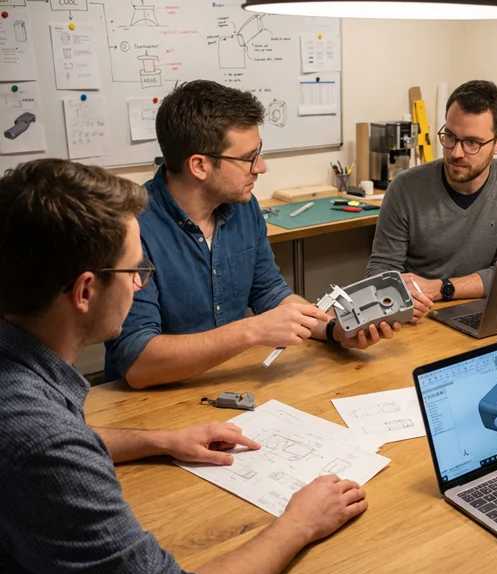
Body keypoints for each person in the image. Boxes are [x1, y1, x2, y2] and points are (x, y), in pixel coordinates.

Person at [0, 158, 368, 574]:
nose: (140, 285)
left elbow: (63, 438)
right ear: (84, 291)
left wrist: (160, 440)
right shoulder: (42, 441)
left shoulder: (24, 377)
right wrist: (298, 524)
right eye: (135, 272)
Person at [105, 80, 400, 389]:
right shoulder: (130, 229)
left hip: (228, 384)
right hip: (153, 401)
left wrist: (335, 330)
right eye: (248, 158)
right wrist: (252, 331)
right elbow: (137, 363)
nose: (261, 167)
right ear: (199, 165)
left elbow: (269, 293)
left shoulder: (242, 207)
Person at [365, 80, 497, 321]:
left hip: (481, 314)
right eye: (450, 136)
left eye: (472, 143)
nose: (456, 152)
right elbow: (380, 270)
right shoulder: (405, 187)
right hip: (420, 317)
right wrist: (395, 296)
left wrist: (441, 288)